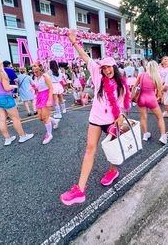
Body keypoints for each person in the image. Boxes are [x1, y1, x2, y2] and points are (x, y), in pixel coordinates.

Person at [60, 31, 130, 206]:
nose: (106, 70)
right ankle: (80, 190)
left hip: (112, 120)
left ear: (114, 67)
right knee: (90, 149)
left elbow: (121, 105)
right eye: (104, 67)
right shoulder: (97, 75)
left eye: (109, 67)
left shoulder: (121, 85)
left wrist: (121, 117)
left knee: (111, 149)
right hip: (96, 119)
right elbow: (85, 57)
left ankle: (113, 171)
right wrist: (74, 43)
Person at [0, 57, 34, 146]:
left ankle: (7, 139)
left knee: (2, 120)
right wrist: (14, 87)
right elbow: (6, 88)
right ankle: (22, 136)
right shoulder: (2, 74)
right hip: (5, 98)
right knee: (15, 118)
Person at [132, 60, 167, 144]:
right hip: (151, 98)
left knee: (143, 117)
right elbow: (159, 93)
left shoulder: (141, 75)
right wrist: (158, 98)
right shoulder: (157, 77)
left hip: (141, 98)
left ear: (147, 66)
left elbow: (134, 87)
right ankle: (163, 136)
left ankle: (145, 134)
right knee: (159, 117)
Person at [32, 61, 59, 145]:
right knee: (40, 117)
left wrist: (49, 100)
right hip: (39, 96)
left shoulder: (45, 76)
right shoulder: (34, 77)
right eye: (32, 66)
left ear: (40, 67)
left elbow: (51, 88)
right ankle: (54, 121)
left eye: (35, 66)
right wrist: (35, 89)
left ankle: (49, 134)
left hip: (46, 95)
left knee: (45, 117)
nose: (33, 68)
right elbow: (37, 88)